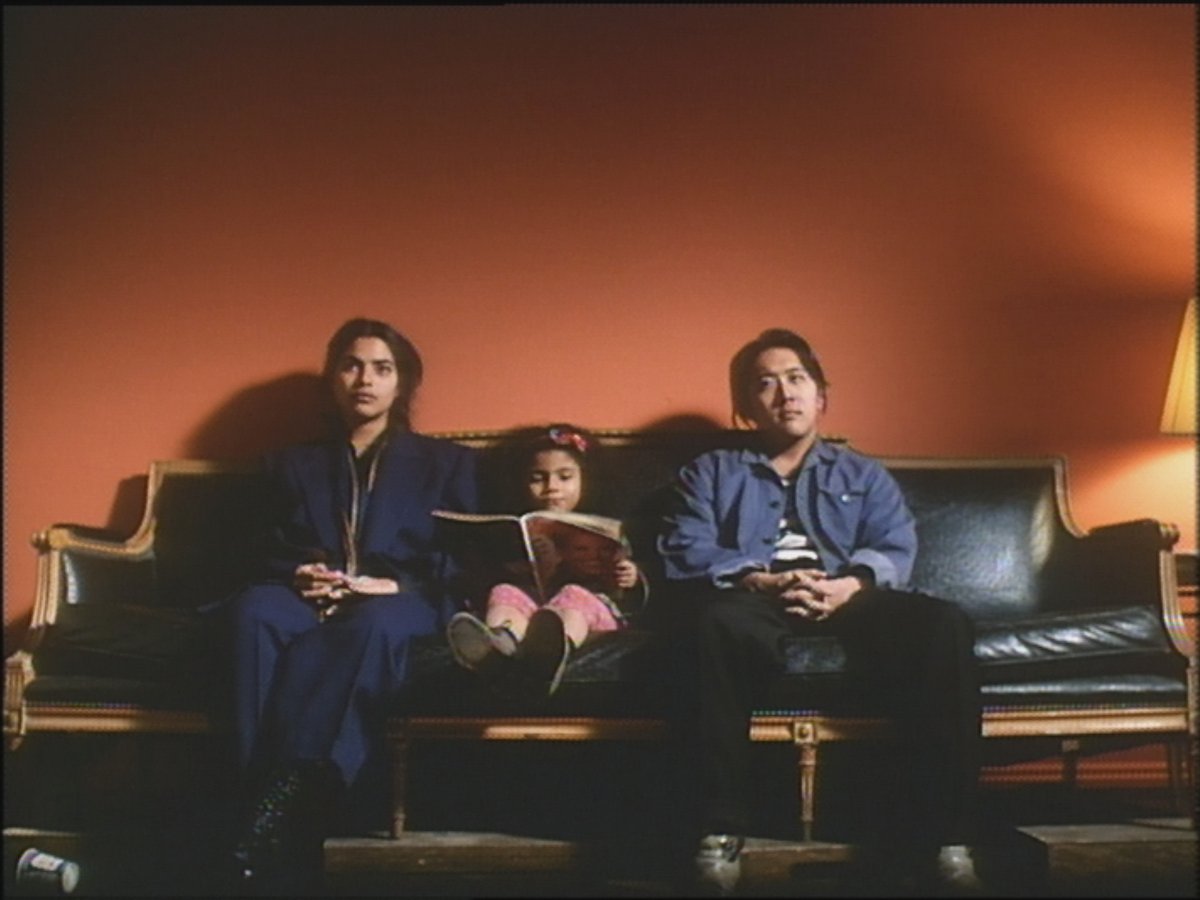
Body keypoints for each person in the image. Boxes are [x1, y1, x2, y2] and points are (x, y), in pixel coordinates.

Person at [657, 328, 982, 896]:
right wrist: (761, 578)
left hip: (849, 596)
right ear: (743, 408)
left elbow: (894, 545)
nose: (784, 393)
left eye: (796, 378)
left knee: (944, 625)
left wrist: (848, 585)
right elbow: (688, 546)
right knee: (712, 626)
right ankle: (720, 832)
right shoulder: (710, 472)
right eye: (765, 383)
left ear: (821, 395)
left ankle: (945, 838)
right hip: (754, 597)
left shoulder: (861, 473)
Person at [224, 317, 477, 893]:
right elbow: (250, 551)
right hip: (304, 596)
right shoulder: (288, 464)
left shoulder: (448, 464)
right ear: (333, 378)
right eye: (352, 365)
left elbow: (468, 557)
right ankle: (258, 796)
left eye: (382, 368)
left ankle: (287, 804)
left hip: (398, 600)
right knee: (253, 614)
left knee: (369, 626)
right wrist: (297, 573)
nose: (365, 379)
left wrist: (397, 587)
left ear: (401, 383)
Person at [445, 424, 647, 696]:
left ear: (586, 478)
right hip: (533, 608)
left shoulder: (607, 519)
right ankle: (498, 646)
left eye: (565, 477)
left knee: (573, 595)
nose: (551, 488)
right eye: (538, 478)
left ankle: (549, 654)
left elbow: (636, 577)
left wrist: (632, 576)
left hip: (592, 611)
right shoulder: (519, 526)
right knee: (504, 592)